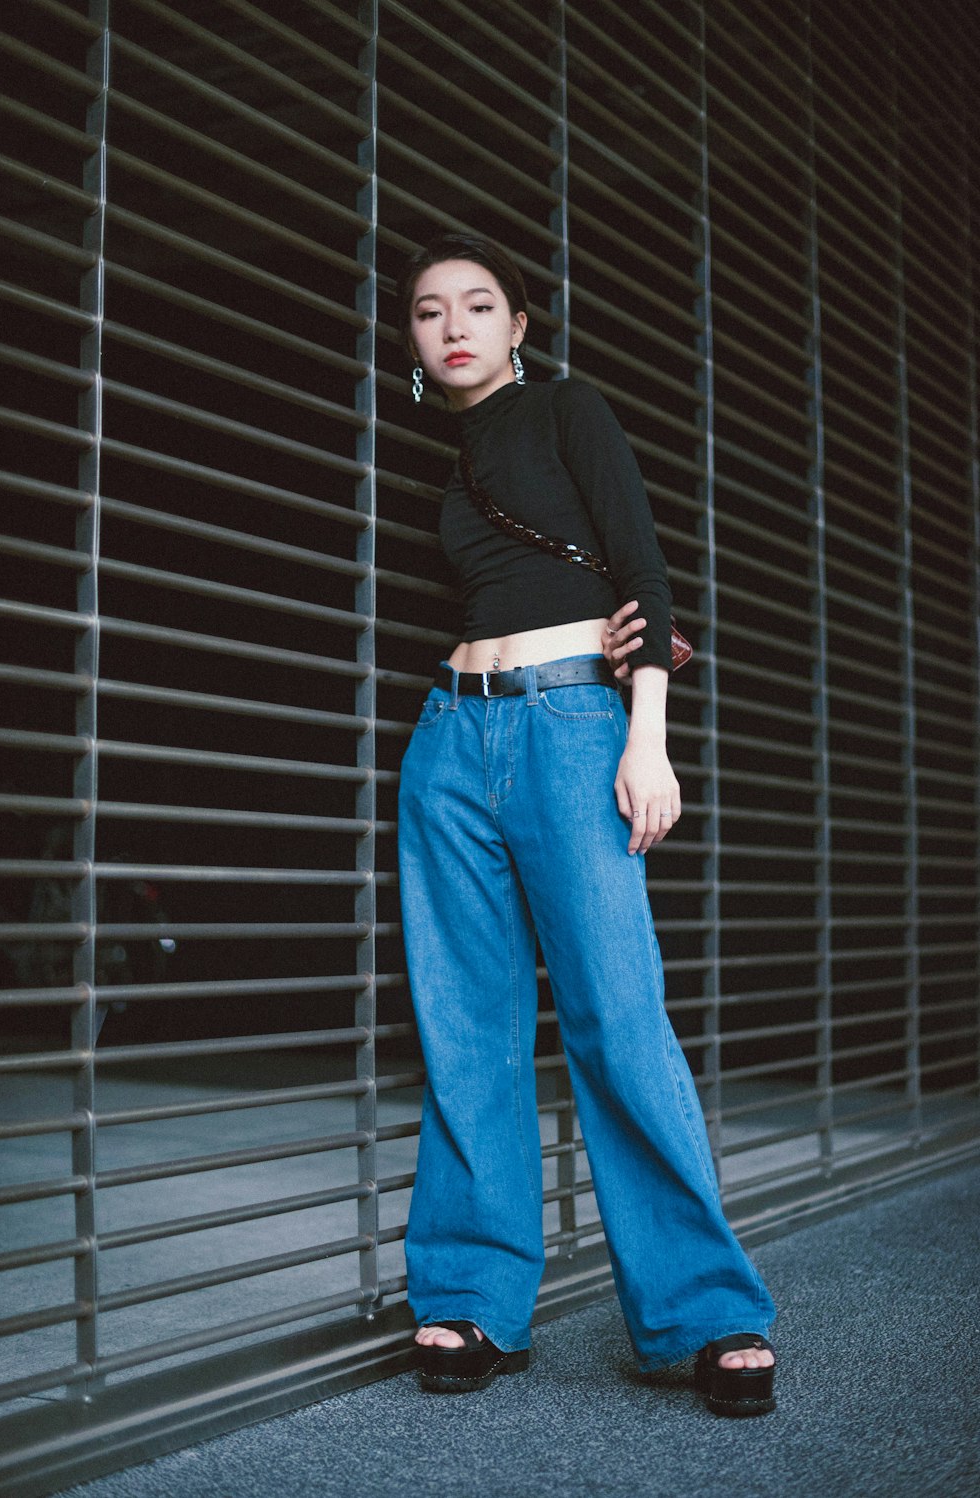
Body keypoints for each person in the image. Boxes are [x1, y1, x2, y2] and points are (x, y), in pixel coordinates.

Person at [395, 231, 777, 1416]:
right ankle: (469, 1298)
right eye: (425, 311)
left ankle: (709, 1315)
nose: (452, 324)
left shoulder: (569, 410)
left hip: (569, 732)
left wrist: (642, 733)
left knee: (617, 1017)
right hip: (449, 741)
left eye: (478, 305)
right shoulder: (434, 463)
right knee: (467, 1028)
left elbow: (641, 573)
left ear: (519, 324)